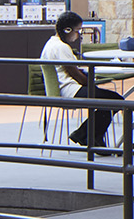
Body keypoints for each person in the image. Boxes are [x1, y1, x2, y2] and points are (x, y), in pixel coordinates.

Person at [40, 10, 124, 150]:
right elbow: (75, 74)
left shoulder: (50, 44)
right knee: (116, 100)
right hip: (70, 90)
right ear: (67, 30)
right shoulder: (61, 47)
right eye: (77, 31)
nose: (78, 35)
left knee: (109, 99)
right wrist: (91, 83)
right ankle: (87, 135)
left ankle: (87, 135)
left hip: (63, 89)